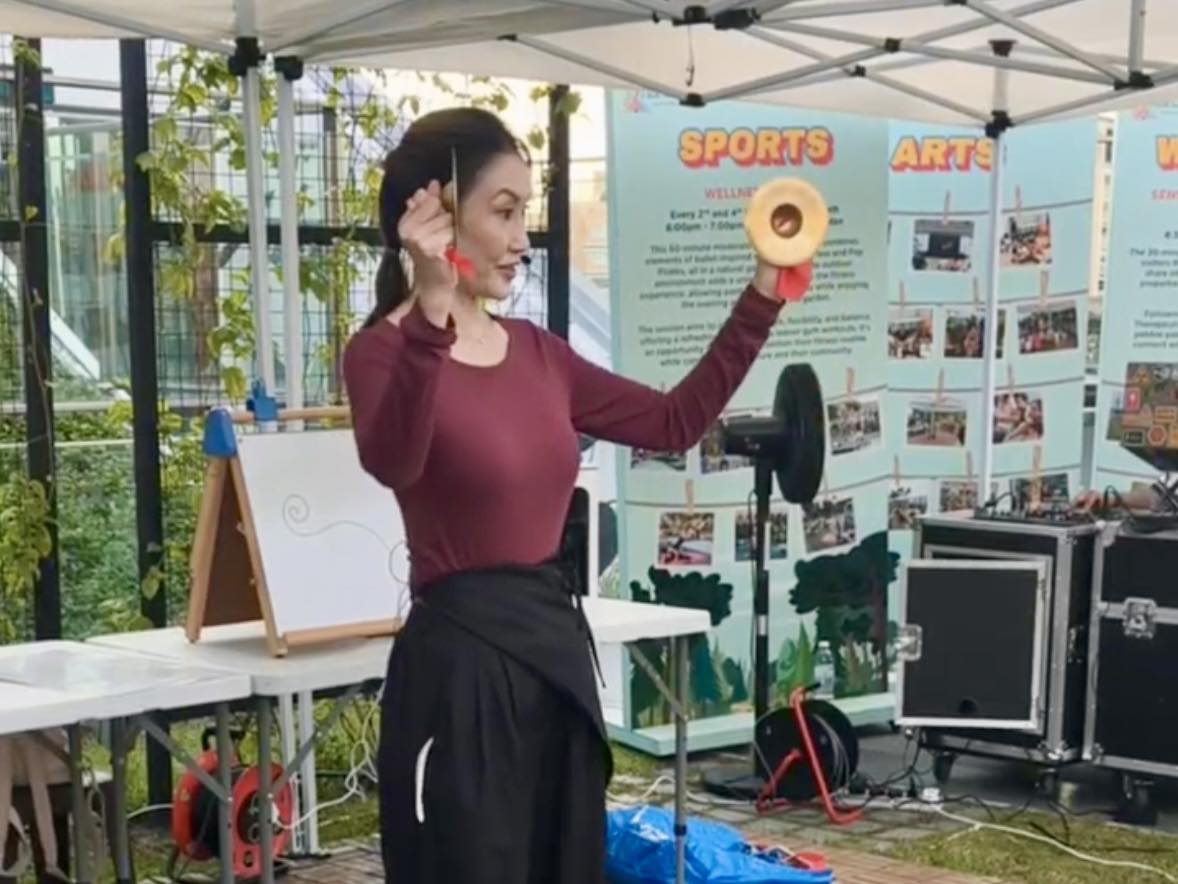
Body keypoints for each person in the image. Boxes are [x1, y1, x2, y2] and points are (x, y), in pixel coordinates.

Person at [341, 107, 799, 884]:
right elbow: (394, 462)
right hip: (462, 677)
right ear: (431, 213)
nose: (524, 238)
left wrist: (763, 293)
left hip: (553, 656)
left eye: (527, 212)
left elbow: (672, 421)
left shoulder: (539, 354)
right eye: (505, 211)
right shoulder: (383, 351)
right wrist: (429, 313)